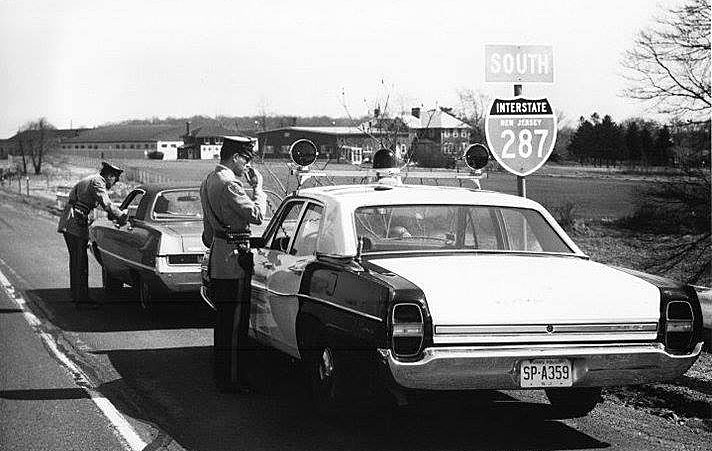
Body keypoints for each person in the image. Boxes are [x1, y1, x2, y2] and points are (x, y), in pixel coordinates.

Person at [200, 136, 266, 393]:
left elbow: (207, 233)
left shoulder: (208, 180)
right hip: (234, 259)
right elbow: (257, 216)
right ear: (236, 157)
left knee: (224, 323)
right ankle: (233, 380)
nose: (246, 166)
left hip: (219, 256)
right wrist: (258, 188)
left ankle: (223, 376)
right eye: (246, 160)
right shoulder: (230, 185)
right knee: (236, 324)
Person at [57, 161, 128, 308]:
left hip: (72, 219)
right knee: (80, 262)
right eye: (115, 179)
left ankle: (77, 296)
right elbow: (106, 204)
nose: (115, 183)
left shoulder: (92, 179)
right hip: (75, 221)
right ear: (109, 176)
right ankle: (82, 300)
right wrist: (120, 216)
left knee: (76, 261)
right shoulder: (97, 181)